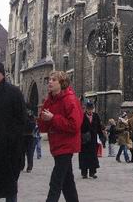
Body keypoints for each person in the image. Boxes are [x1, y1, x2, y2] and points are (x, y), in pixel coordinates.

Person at [38, 70, 83, 202]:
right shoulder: (49, 100)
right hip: (57, 145)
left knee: (56, 181)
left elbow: (74, 125)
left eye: (53, 80)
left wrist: (53, 118)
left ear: (62, 83)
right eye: (49, 80)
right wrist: (44, 119)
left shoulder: (70, 100)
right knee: (67, 182)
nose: (50, 82)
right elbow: (43, 127)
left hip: (66, 145)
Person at [0, 60, 26, 202]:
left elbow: (22, 120)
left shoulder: (14, 93)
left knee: (10, 189)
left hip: (9, 150)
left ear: (2, 74)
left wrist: (12, 138)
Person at [79, 101, 104, 179]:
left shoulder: (96, 116)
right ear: (86, 109)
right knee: (84, 156)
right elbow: (79, 128)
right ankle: (84, 172)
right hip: (84, 140)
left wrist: (101, 137)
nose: (90, 110)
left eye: (91, 109)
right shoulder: (82, 116)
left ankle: (92, 172)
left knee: (93, 156)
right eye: (89, 109)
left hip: (93, 139)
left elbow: (99, 127)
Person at [21, 106, 35, 173]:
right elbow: (34, 124)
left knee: (22, 152)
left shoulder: (22, 113)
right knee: (29, 152)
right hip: (30, 135)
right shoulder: (31, 114)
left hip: (24, 135)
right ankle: (29, 167)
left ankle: (22, 165)